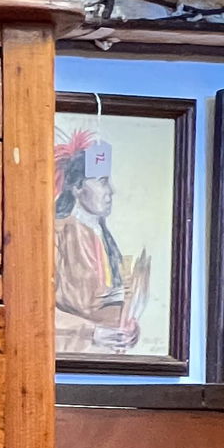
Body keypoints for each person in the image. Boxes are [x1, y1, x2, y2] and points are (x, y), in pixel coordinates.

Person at [54, 128, 145, 354]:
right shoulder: (56, 234)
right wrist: (91, 332)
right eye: (102, 181)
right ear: (77, 188)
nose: (111, 191)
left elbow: (104, 302)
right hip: (68, 357)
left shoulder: (103, 235)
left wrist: (128, 326)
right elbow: (36, 308)